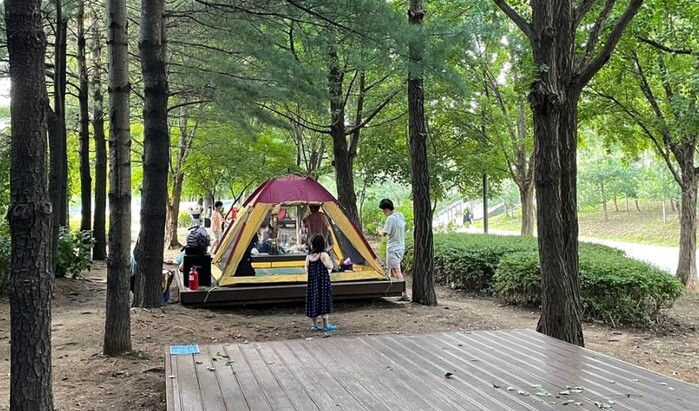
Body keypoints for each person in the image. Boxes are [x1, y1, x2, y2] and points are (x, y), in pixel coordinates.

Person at [378, 198, 409, 301]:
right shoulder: (400, 215)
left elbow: (385, 233)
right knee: (392, 270)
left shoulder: (390, 219)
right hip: (401, 247)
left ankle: (404, 293)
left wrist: (379, 231)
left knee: (396, 270)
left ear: (387, 209)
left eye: (383, 210)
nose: (383, 212)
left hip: (393, 248)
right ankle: (394, 291)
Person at [305, 234, 337, 332]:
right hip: (323, 283)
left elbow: (306, 269)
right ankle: (326, 325)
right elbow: (330, 266)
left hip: (312, 283)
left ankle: (314, 325)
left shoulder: (309, 256)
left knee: (313, 301)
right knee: (324, 302)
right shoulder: (323, 255)